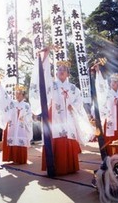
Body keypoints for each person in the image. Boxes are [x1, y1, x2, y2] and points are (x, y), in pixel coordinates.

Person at [29, 48, 95, 176]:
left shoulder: (73, 88)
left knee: (68, 137)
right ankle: (55, 167)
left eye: (64, 70)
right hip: (55, 117)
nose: (61, 71)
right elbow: (43, 77)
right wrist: (45, 57)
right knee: (56, 136)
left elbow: (78, 101)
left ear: (68, 74)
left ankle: (70, 166)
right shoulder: (52, 85)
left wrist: (73, 106)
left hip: (69, 118)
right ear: (56, 73)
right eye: (59, 69)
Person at [0, 79, 33, 164]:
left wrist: (24, 118)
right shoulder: (12, 103)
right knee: (12, 139)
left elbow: (30, 116)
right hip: (13, 125)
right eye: (16, 93)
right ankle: (12, 158)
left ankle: (20, 159)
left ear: (23, 95)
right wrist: (0, 85)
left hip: (22, 126)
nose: (17, 95)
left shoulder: (26, 105)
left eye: (19, 93)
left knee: (20, 139)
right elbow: (5, 97)